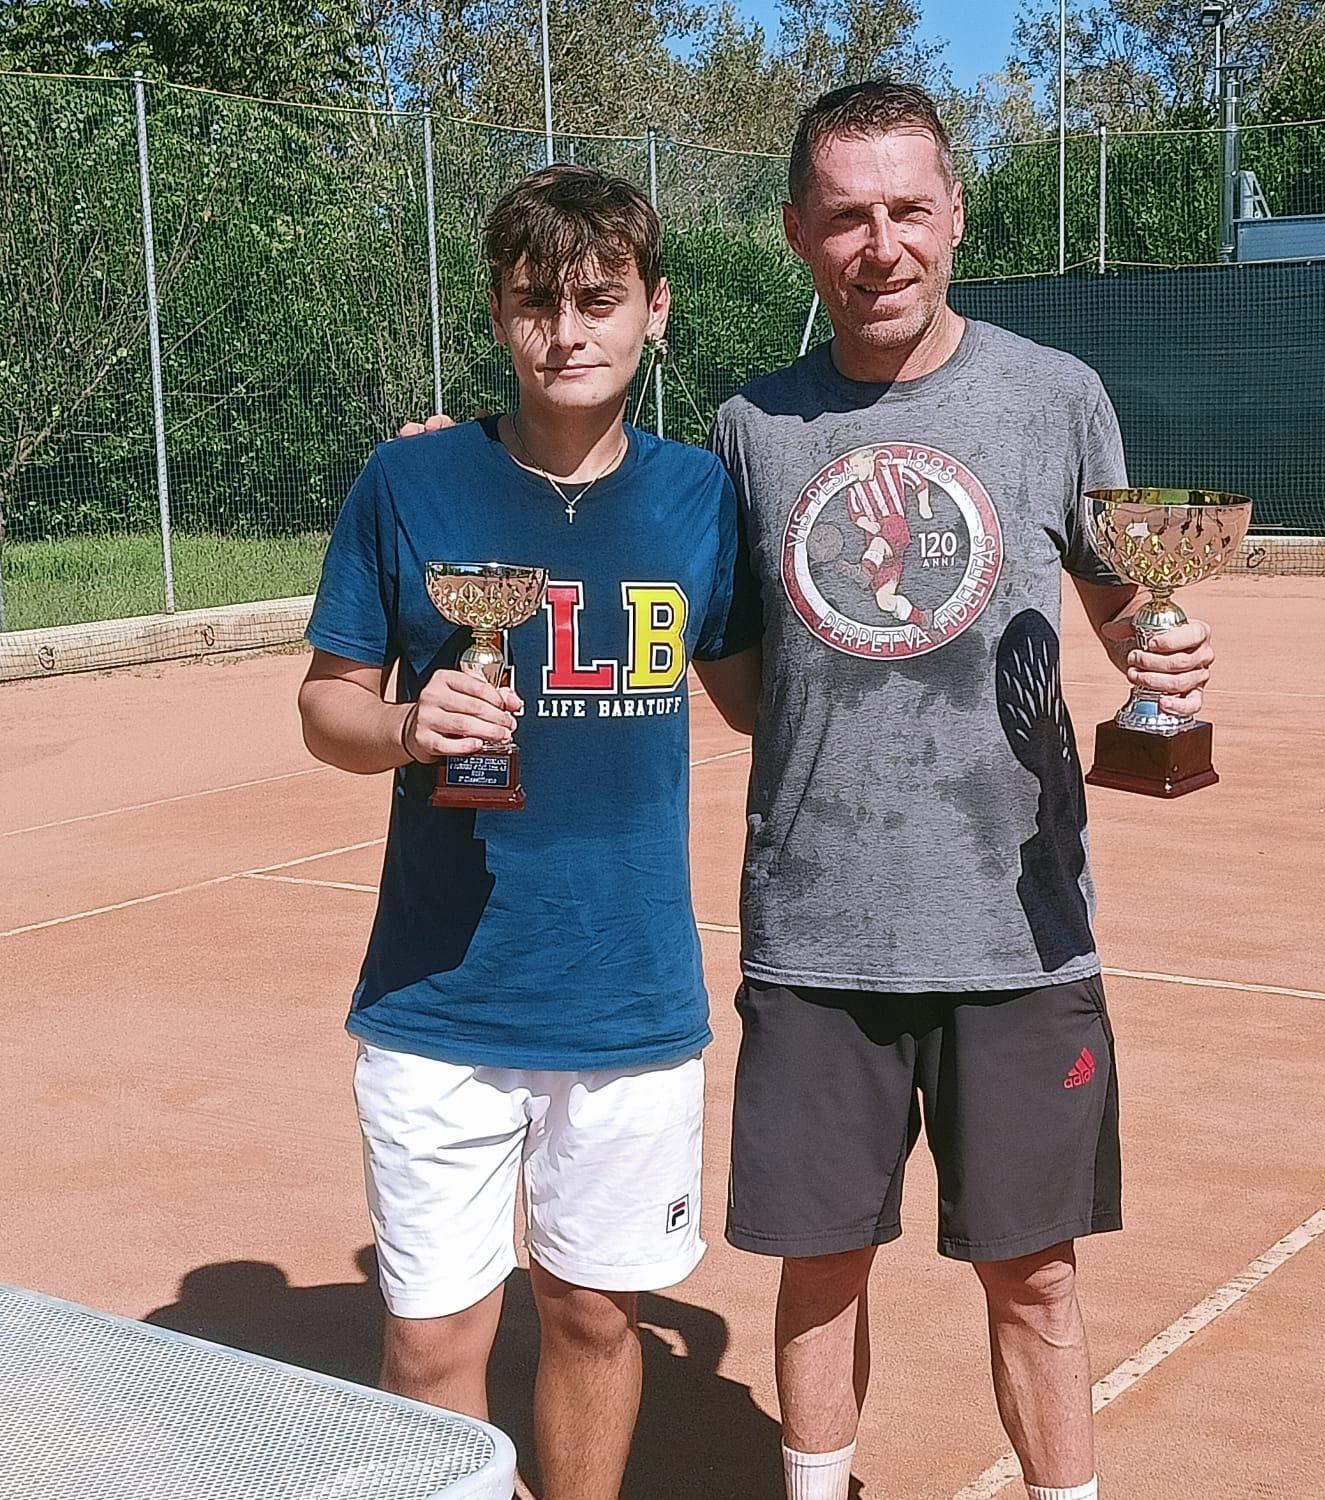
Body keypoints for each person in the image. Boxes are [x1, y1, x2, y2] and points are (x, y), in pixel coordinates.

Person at [694, 81, 1217, 1500]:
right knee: (818, 1272)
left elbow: (1121, 609)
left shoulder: (1056, 396)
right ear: (800, 232)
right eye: (848, 215)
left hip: (1018, 934)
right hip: (815, 938)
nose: (881, 244)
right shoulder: (749, 427)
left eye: (908, 209)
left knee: (1034, 1281)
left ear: (955, 218)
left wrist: (1161, 649)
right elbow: (740, 675)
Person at [298, 163, 755, 1500]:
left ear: (656, 311)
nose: (568, 333)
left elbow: (756, 700)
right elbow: (328, 707)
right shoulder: (411, 480)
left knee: (594, 1314)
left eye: (600, 300)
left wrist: (905, 650)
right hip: (440, 994)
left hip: (628, 999)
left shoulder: (698, 499)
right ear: (497, 317)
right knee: (435, 1336)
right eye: (534, 303)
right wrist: (406, 724)